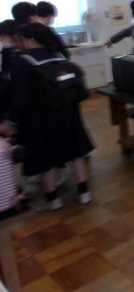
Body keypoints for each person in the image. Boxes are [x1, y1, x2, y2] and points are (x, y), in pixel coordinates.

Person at [6, 23, 94, 210]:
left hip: (41, 117)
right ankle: (84, 193)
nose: (20, 43)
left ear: (31, 40)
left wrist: (12, 120)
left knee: (47, 158)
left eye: (22, 39)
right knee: (76, 153)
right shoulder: (59, 55)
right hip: (69, 113)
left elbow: (21, 96)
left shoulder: (23, 61)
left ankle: (54, 200)